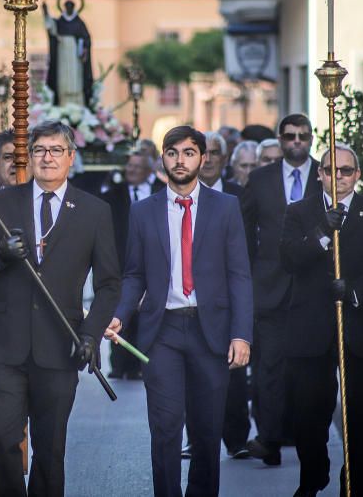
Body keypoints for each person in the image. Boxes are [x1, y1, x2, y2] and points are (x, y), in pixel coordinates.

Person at [0, 120, 120, 497]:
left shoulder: (95, 212)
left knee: (50, 449)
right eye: (40, 151)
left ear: (71, 157)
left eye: (56, 150)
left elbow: (110, 284)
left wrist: (91, 335)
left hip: (61, 343)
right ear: (29, 157)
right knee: (1, 440)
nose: (47, 158)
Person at [108, 125, 253, 497]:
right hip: (163, 333)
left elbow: (239, 274)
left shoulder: (226, 208)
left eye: (189, 152)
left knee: (207, 429)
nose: (180, 160)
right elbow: (134, 274)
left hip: (212, 332)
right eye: (172, 153)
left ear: (202, 159)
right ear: (163, 159)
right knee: (166, 426)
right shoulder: (143, 212)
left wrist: (241, 334)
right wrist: (120, 316)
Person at [279, 144, 363, 497]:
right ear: (319, 174)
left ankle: (357, 485)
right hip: (311, 328)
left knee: (361, 413)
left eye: (345, 171)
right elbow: (288, 258)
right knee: (308, 412)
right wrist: (323, 234)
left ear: (357, 175)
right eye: (330, 170)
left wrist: (354, 290)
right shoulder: (300, 212)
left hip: (360, 326)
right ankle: (313, 475)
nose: (337, 177)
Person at [241, 113, 321, 466]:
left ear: (312, 138)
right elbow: (242, 233)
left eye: (303, 136)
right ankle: (269, 439)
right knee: (268, 369)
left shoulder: (326, 176)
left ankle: (305, 438)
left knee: (309, 372)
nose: (297, 142)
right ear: (280, 138)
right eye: (290, 136)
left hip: (314, 290)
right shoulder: (259, 181)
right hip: (269, 289)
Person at [199, 131, 252, 459]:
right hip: (193, 298)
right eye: (201, 153)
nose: (207, 159)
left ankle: (237, 438)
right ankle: (199, 438)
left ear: (223, 158)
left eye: (214, 153)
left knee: (234, 371)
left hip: (229, 296)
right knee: (196, 375)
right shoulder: (177, 194)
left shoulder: (238, 196)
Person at [101, 152, 163, 380]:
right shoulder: (112, 196)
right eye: (130, 166)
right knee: (119, 314)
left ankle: (138, 365)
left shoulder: (160, 193)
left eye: (138, 166)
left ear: (148, 171)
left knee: (144, 314)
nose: (132, 170)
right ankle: (118, 364)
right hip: (119, 263)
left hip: (152, 263)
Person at [43, 0, 93, 106]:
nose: (69, 8)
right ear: (64, 8)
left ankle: (77, 101)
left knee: (76, 76)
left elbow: (86, 38)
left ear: (74, 8)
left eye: (71, 6)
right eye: (67, 6)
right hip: (62, 52)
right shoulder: (60, 22)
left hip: (75, 53)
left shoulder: (79, 23)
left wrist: (84, 48)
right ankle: (63, 102)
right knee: (63, 75)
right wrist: (45, 12)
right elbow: (51, 28)